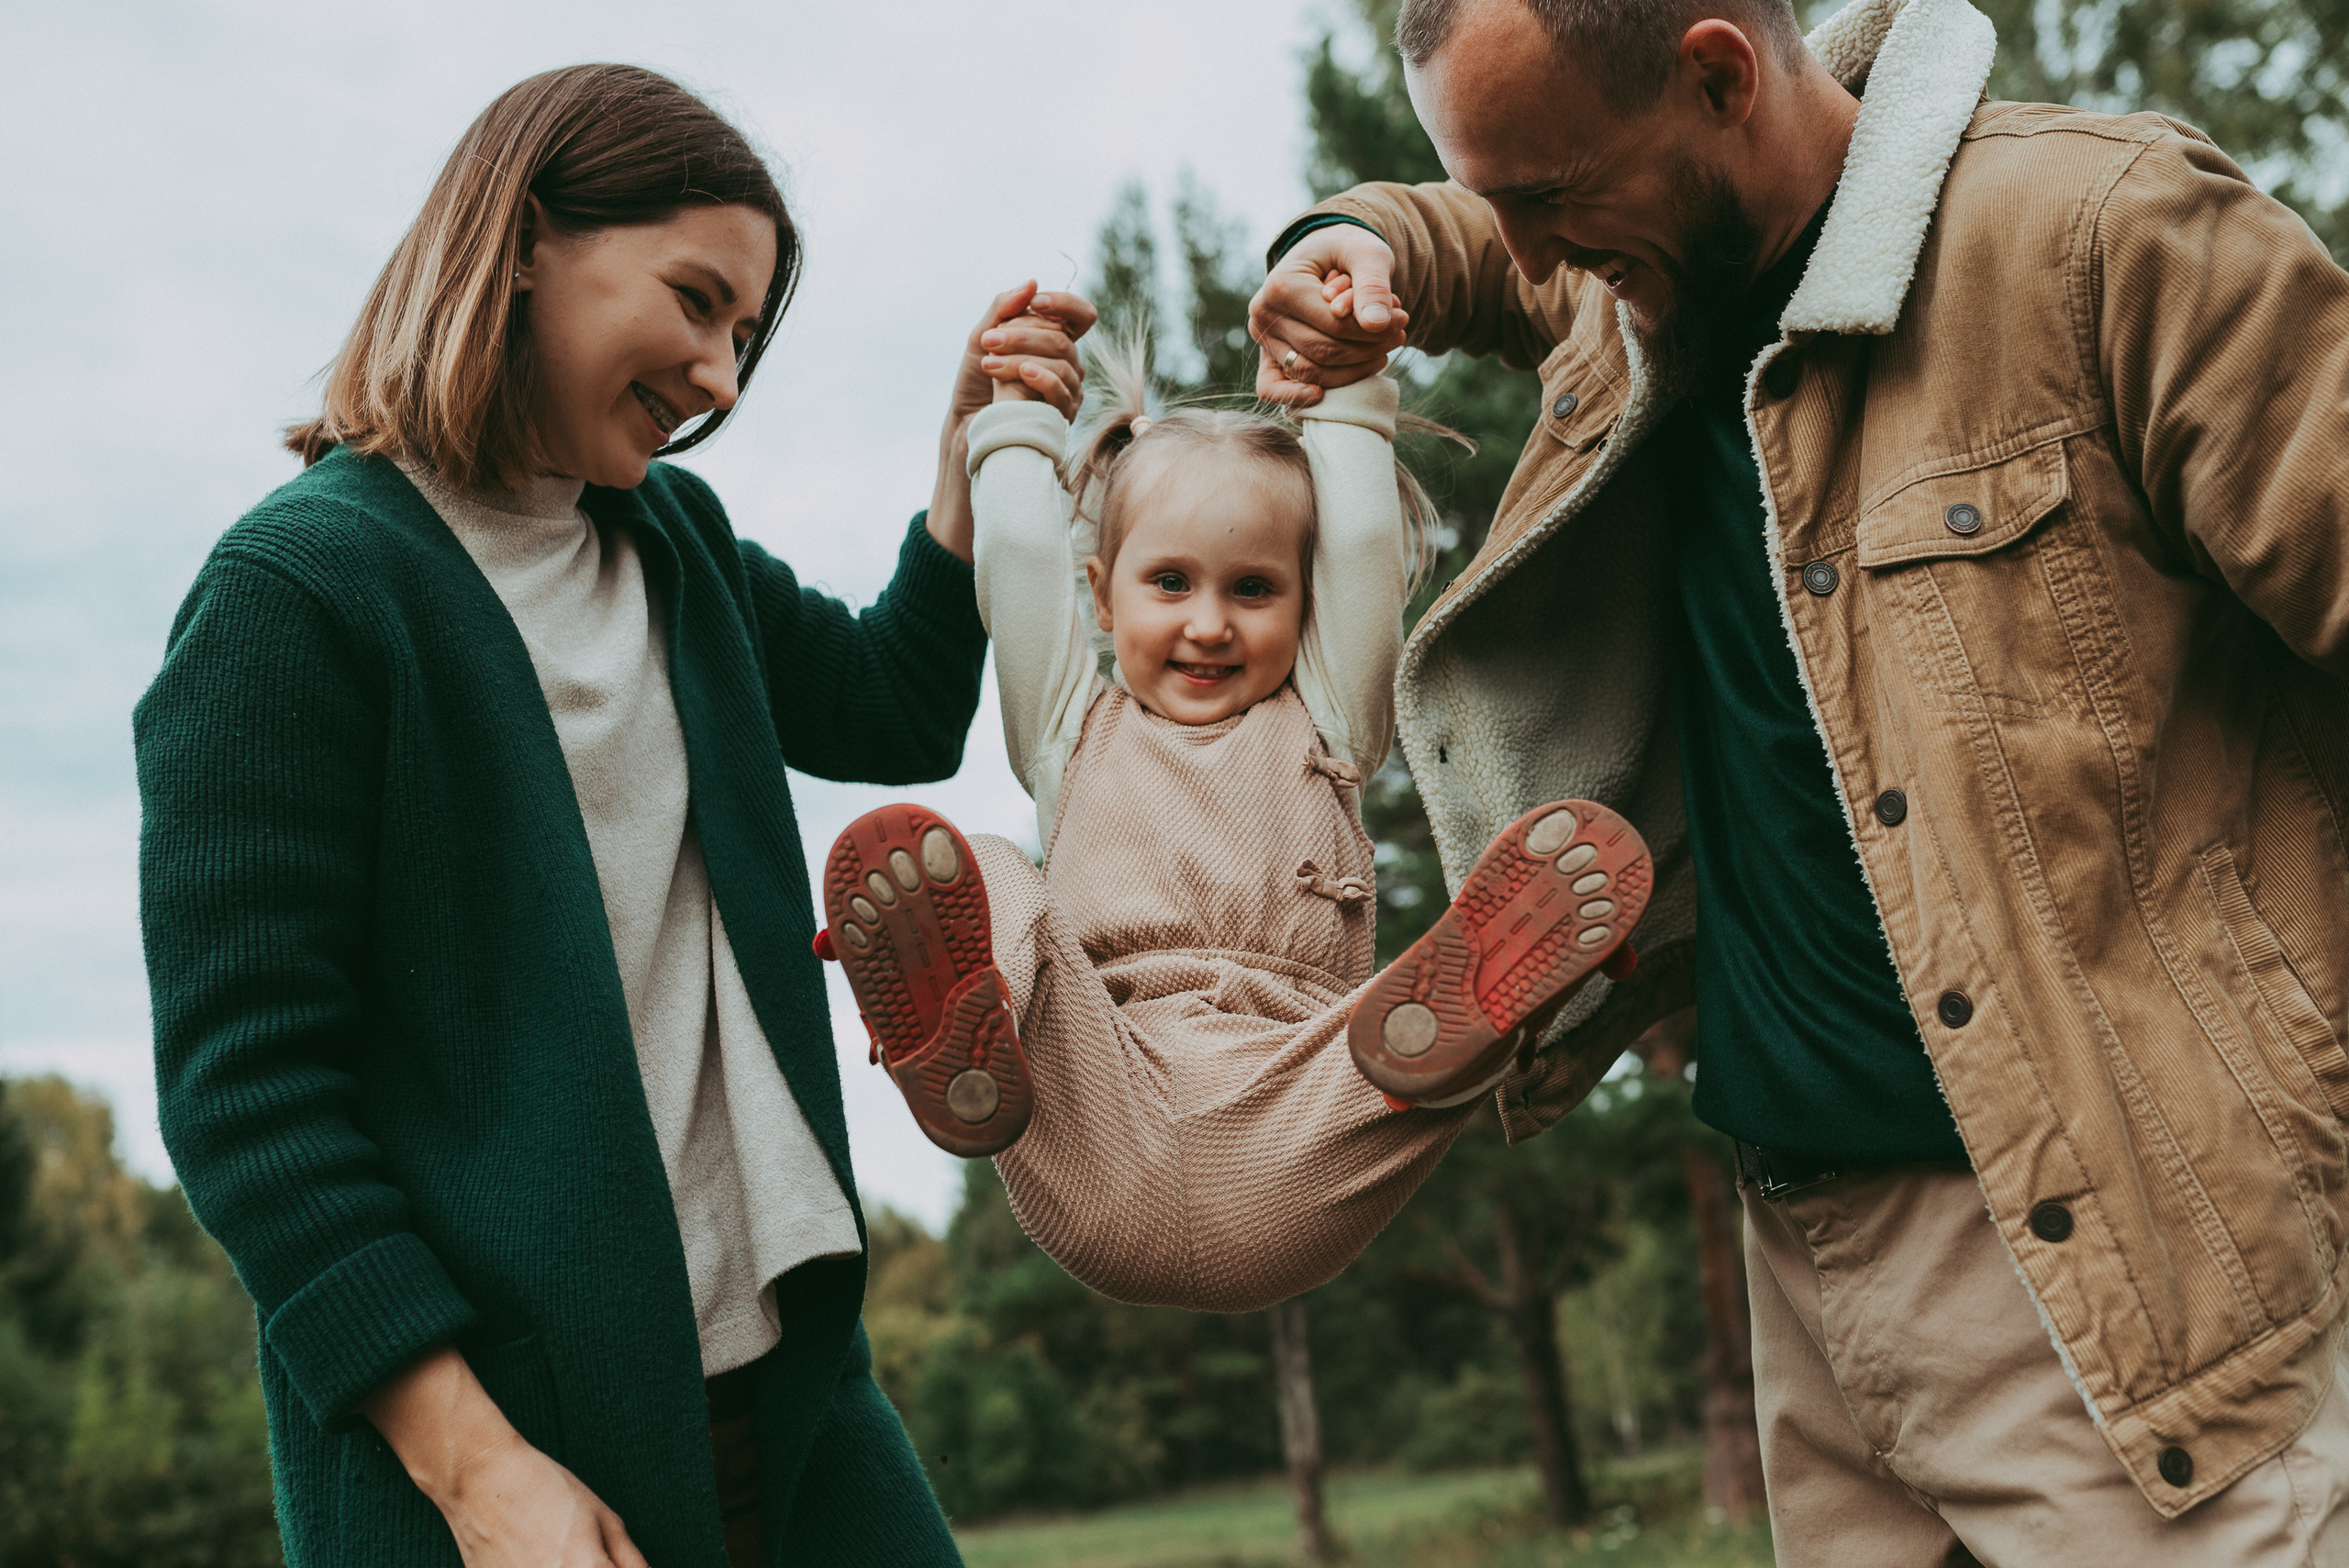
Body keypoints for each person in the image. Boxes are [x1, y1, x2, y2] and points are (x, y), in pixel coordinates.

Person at [1243, 0, 2349, 1560]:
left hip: (2121, 1262)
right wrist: (1349, 237)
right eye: (1502, 205)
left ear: (1717, 74)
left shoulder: (2107, 234)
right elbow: (1471, 240)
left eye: (1553, 196)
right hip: (1809, 1279)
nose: (1535, 253)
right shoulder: (1633, 283)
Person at [134, 64, 1090, 1568]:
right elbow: (250, 1105)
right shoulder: (295, 596)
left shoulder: (673, 544)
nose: (721, 373)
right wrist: (475, 1470)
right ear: (524, 243)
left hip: (794, 1394)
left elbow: (893, 702)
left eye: (746, 336)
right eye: (698, 299)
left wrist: (970, 455)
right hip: (504, 1456)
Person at [814, 323, 1650, 1313]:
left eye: (1253, 589)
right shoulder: (1067, 729)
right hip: (1090, 1108)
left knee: (1404, 1053)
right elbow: (1017, 558)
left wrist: (1344, 392)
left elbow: (1365, 546)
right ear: (1103, 595)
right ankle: (969, 1002)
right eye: (1169, 582)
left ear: (1305, 604)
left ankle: (1480, 1008)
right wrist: (1013, 423)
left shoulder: (1330, 714)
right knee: (988, 860)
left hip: (1297, 1119)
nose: (1209, 622)